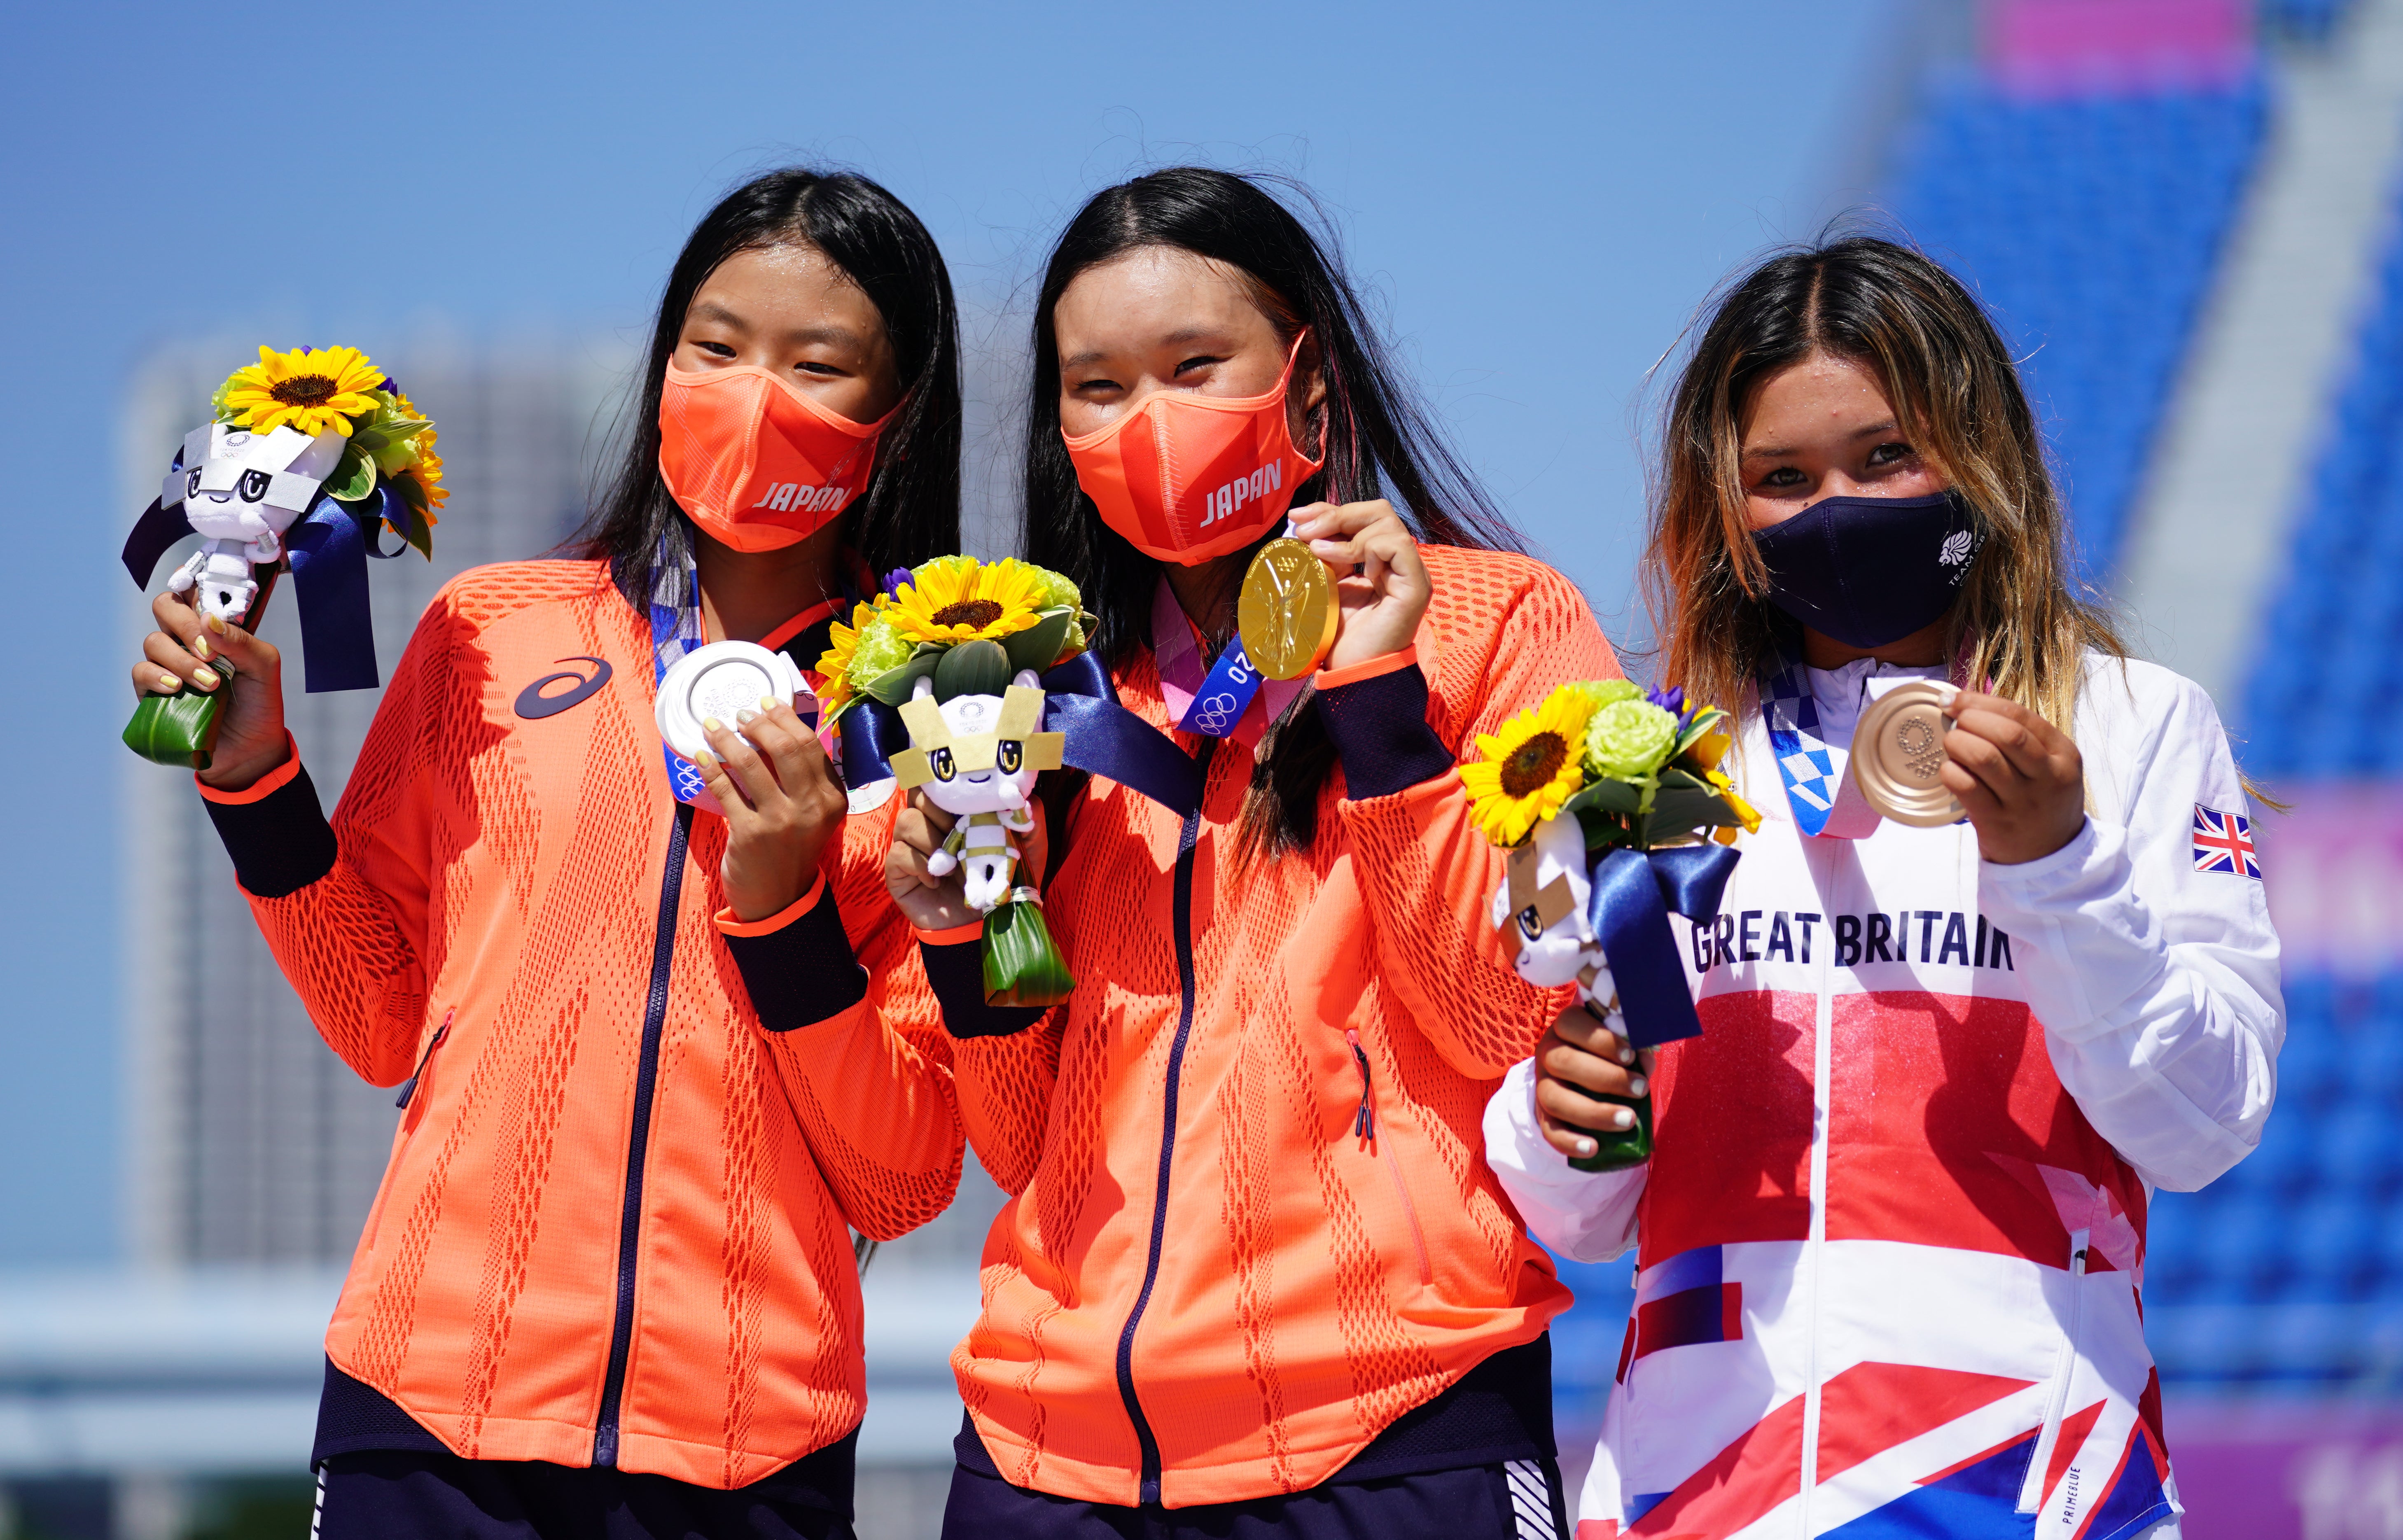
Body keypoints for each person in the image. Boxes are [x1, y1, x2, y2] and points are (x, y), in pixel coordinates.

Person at [128, 168, 968, 1539]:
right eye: (715, 344)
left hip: (745, 1446)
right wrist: (255, 782)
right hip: (429, 1408)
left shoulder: (940, 711)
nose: (751, 391)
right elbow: (383, 1012)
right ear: (661, 365)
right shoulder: (493, 627)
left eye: (816, 363)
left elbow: (903, 1174)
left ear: (898, 414)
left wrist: (790, 914)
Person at [1484, 236, 2283, 1538]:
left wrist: (2061, 865)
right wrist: (1557, 1110)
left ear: (1980, 457)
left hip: (2031, 1481)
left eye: (1884, 456)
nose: (1836, 506)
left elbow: (2202, 1127)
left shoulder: (2129, 726)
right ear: (1723, 513)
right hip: (1698, 1489)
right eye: (1781, 478)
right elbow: (1580, 1215)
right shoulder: (1652, 767)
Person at [884, 167, 1616, 1540]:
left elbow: (1501, 1019)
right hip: (1049, 1454)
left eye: (1192, 365)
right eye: (1096, 387)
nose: (1145, 421)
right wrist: (959, 933)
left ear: (1309, 382)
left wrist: (1383, 707)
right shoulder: (1039, 699)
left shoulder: (1495, 625)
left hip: (1391, 1436)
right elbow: (1014, 1136)